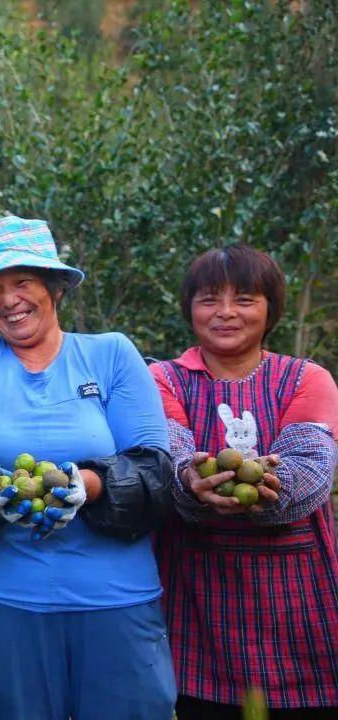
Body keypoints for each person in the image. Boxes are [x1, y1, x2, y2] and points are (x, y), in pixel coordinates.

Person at [0, 215, 177, 720]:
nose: (8, 300)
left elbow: (155, 473)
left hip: (116, 598)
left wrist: (88, 485)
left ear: (55, 287)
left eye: (22, 281)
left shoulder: (111, 355)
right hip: (8, 600)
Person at [150, 244, 338, 720]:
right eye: (210, 299)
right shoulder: (164, 380)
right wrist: (189, 482)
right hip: (197, 598)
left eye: (246, 299)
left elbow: (312, 471)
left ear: (270, 307)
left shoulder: (306, 378)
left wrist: (277, 489)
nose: (226, 313)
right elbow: (168, 454)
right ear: (190, 308)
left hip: (296, 602)